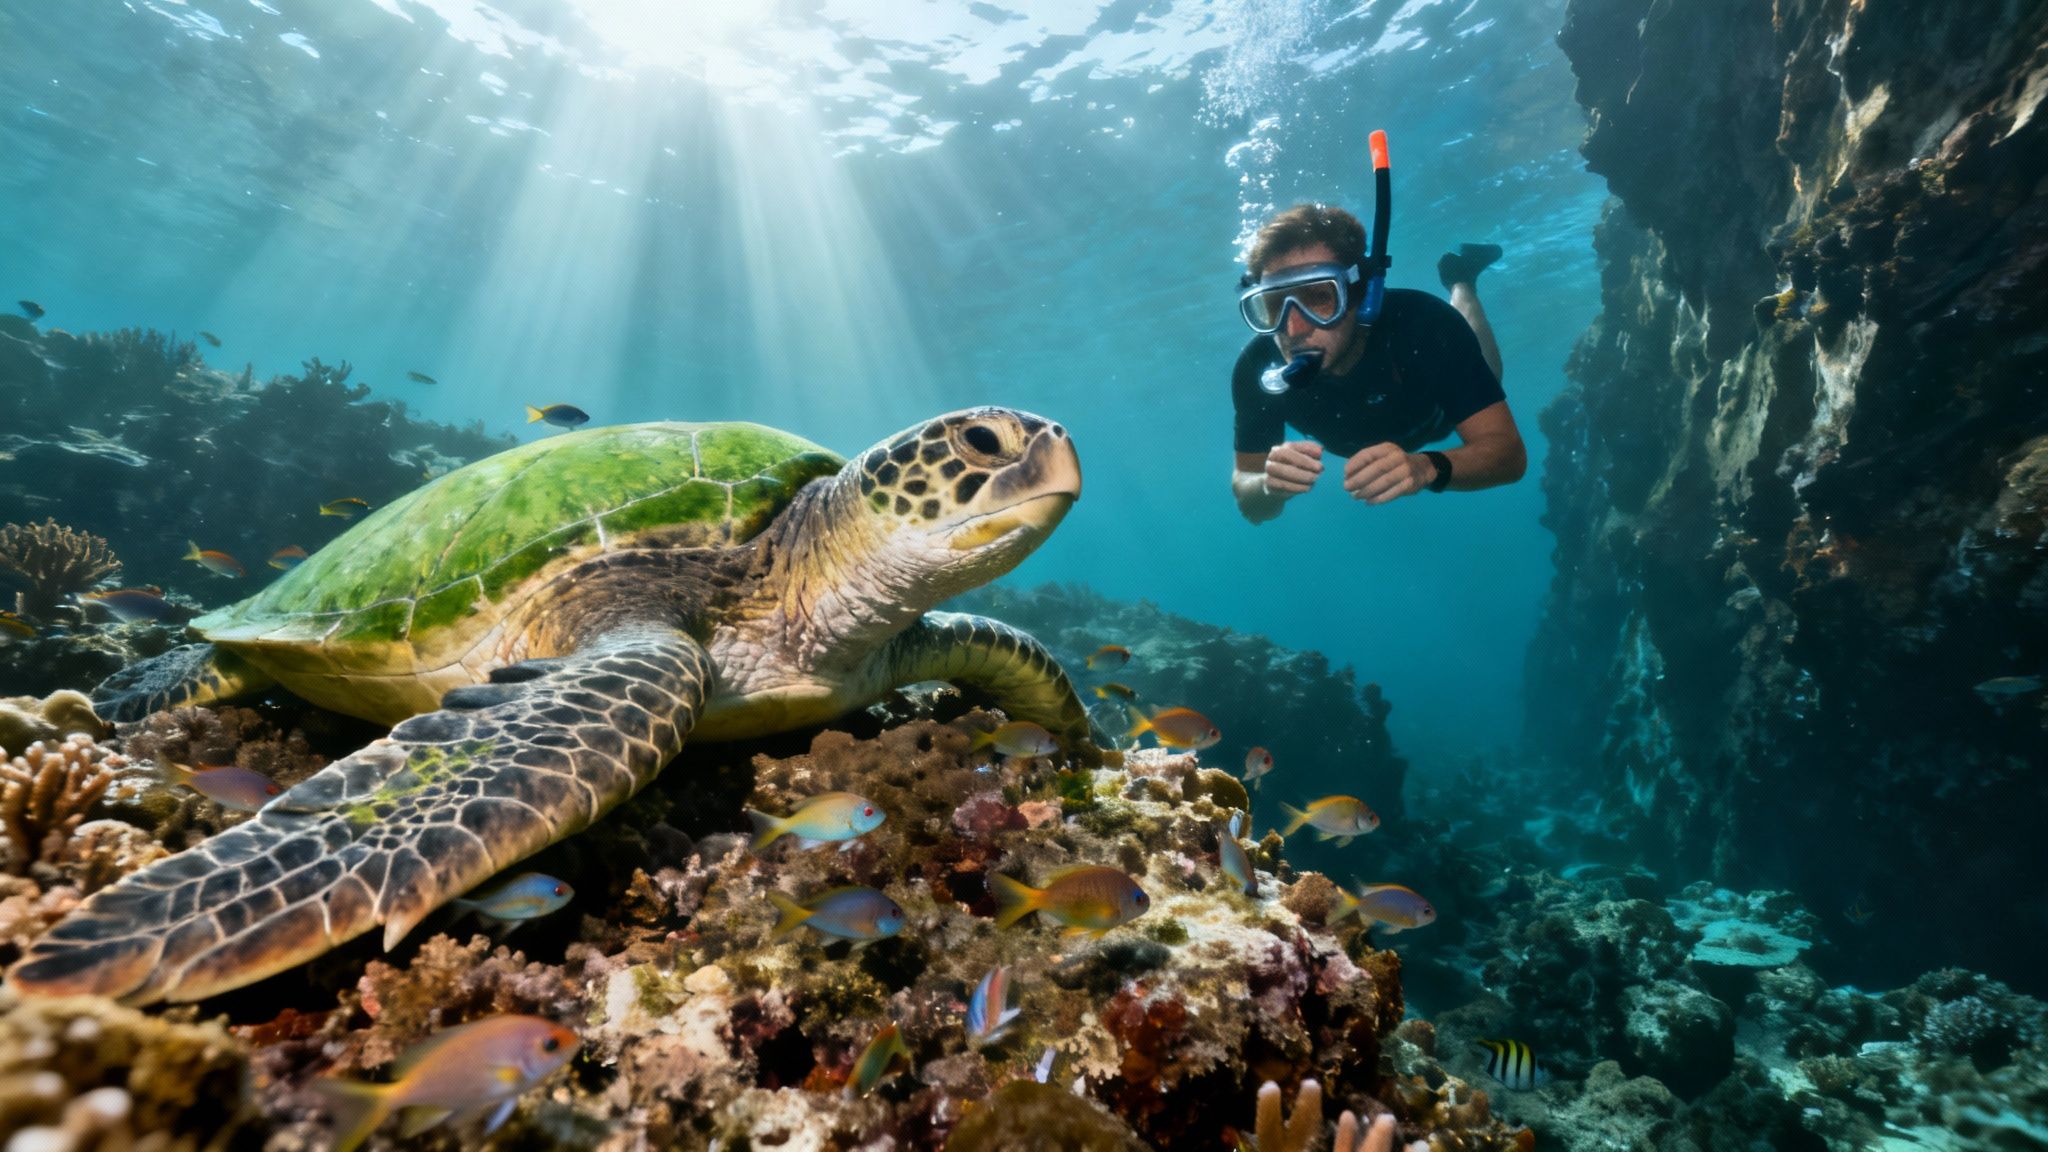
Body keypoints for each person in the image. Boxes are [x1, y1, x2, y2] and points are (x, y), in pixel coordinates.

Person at [1229, 203, 1526, 524]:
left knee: (1490, 371)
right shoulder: (1256, 367)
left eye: (1319, 298)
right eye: (1273, 305)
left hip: (1440, 417)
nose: (1293, 329)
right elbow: (1252, 504)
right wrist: (1268, 485)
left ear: (1363, 297)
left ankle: (1460, 279)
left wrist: (1426, 467)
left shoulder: (1426, 324)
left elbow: (1509, 454)